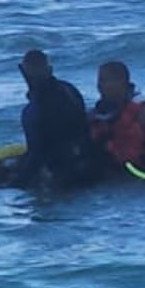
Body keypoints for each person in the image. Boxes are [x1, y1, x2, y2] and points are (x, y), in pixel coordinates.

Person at [12, 49, 100, 191]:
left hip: (59, 176)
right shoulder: (70, 90)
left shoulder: (33, 112)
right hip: (87, 165)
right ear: (50, 70)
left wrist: (16, 186)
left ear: (23, 71)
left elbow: (36, 156)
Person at [87, 60, 145, 181]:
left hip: (140, 175)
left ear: (121, 82)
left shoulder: (144, 111)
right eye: (99, 81)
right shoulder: (95, 115)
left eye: (104, 81)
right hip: (109, 178)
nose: (99, 86)